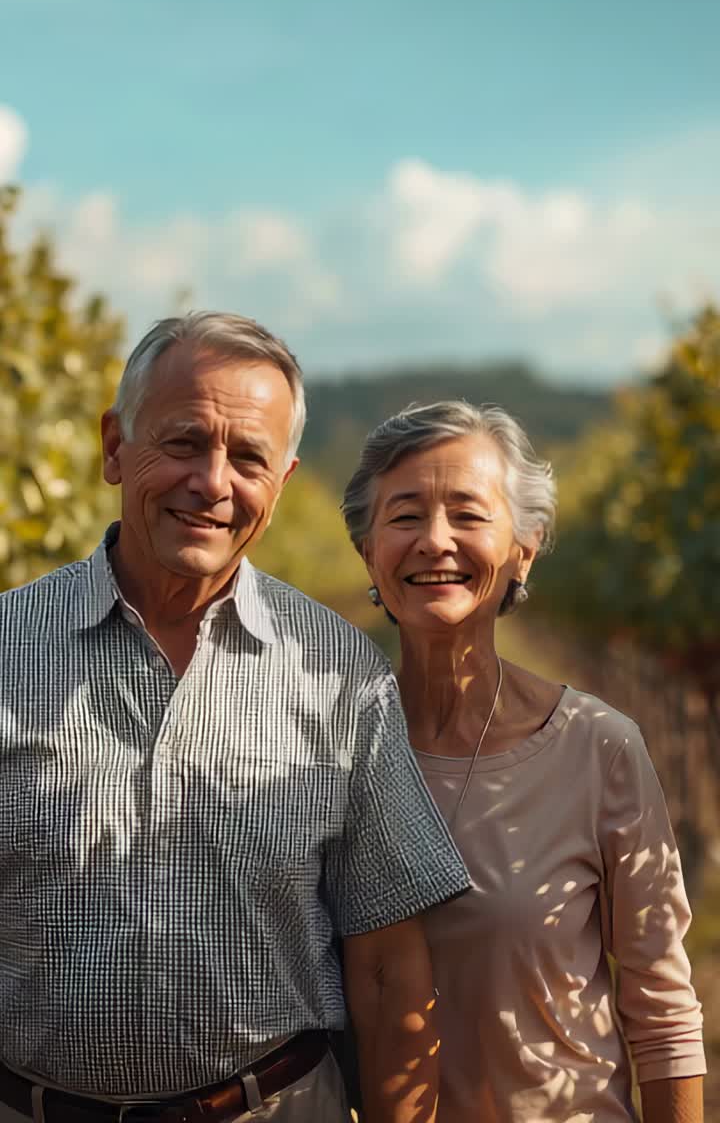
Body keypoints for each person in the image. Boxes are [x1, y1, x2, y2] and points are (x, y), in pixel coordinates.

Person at [0, 315, 471, 1123]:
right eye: (183, 442)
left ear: (281, 482)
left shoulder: (340, 675)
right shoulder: (8, 648)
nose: (213, 482)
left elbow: (389, 966)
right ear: (114, 448)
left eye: (248, 458)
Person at [342, 400, 706, 1123]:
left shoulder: (599, 749)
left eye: (468, 515)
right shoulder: (327, 753)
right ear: (368, 550)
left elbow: (663, 1011)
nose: (435, 541)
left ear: (524, 548)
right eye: (406, 515)